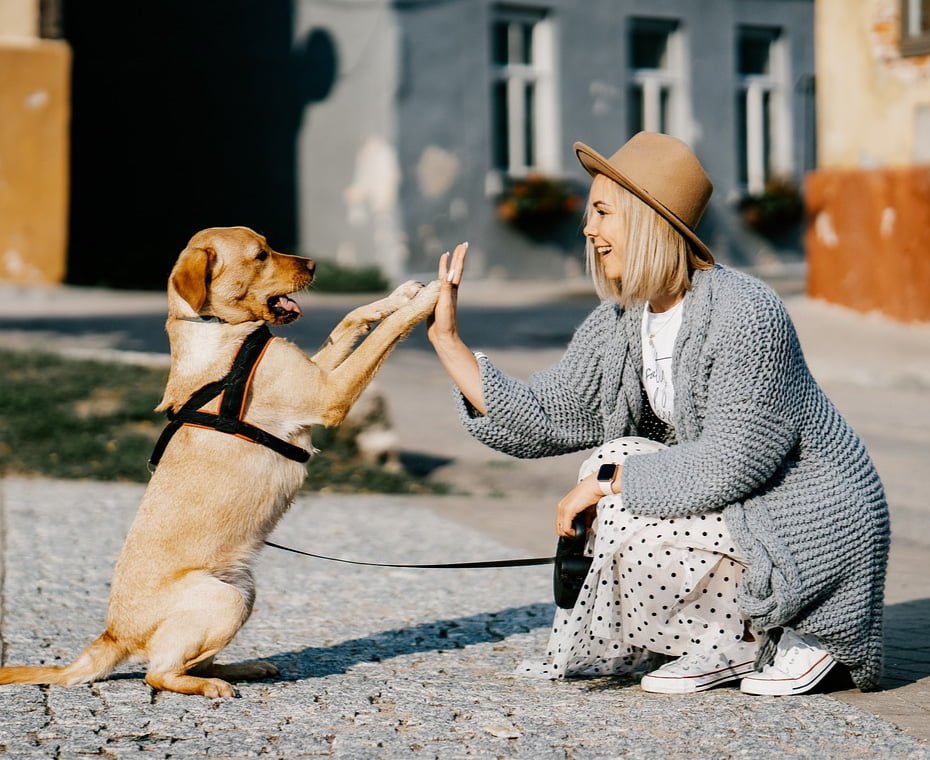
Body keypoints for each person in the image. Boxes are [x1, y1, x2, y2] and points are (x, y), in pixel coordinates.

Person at [426, 132, 889, 695]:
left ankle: (784, 632)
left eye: (602, 212)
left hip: (809, 517)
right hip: (742, 507)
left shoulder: (746, 312)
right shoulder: (624, 319)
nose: (587, 229)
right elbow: (547, 413)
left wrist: (606, 485)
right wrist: (449, 342)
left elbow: (733, 462)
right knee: (612, 458)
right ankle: (719, 641)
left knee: (615, 485)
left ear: (647, 220)